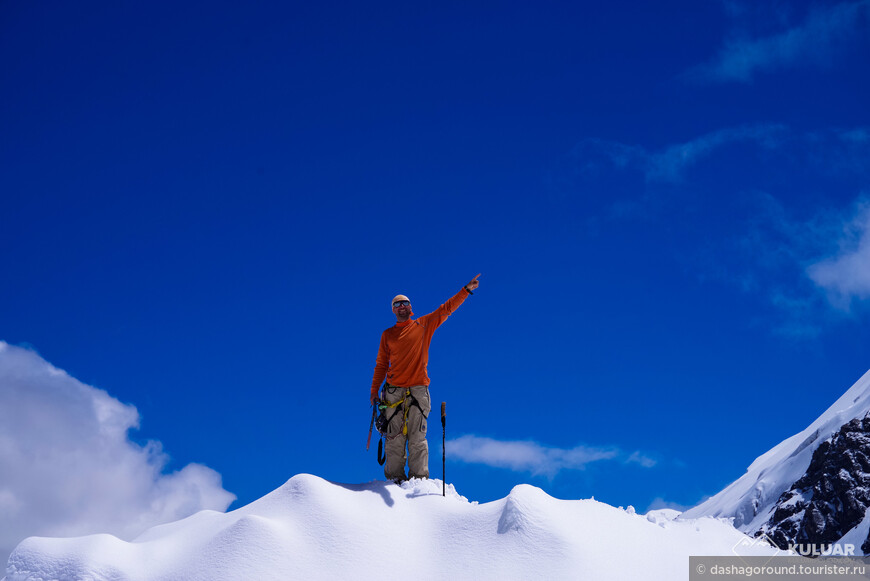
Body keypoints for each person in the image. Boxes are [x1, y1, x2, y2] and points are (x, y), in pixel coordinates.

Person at [370, 274, 480, 482]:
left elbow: (446, 309)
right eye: (397, 304)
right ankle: (394, 480)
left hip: (419, 389)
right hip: (393, 391)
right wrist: (374, 391)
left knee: (417, 438)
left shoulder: (423, 325)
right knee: (394, 438)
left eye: (405, 303)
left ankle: (418, 481)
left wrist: (465, 290)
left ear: (410, 307)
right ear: (393, 310)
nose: (401, 306)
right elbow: (381, 365)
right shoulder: (387, 335)